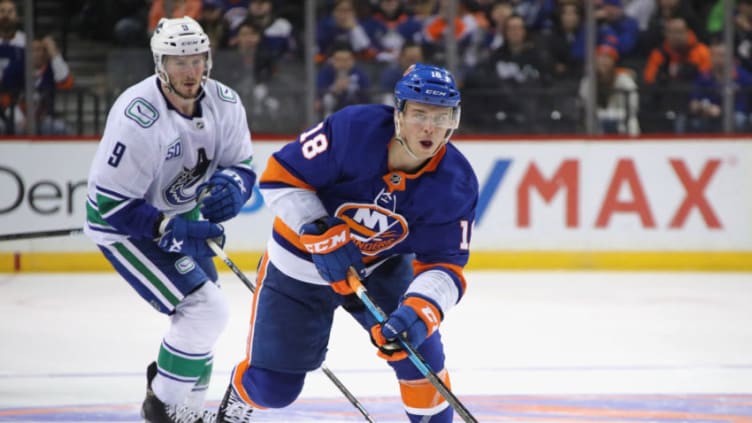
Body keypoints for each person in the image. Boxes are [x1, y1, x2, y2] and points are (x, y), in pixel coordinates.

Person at [211, 63, 478, 423]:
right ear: (399, 113)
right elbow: (279, 177)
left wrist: (420, 310)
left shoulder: (456, 183)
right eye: (419, 114)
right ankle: (239, 399)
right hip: (299, 268)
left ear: (453, 120)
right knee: (273, 388)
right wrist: (318, 228)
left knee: (420, 356)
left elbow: (445, 265)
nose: (429, 127)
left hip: (380, 268)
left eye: (441, 116)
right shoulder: (353, 130)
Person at [83, 16, 256, 423]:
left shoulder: (225, 102)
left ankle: (190, 410)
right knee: (205, 310)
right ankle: (162, 407)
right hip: (124, 226)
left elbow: (242, 165)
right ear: (160, 64)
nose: (190, 71)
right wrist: (165, 228)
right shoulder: (138, 117)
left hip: (180, 214)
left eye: (196, 59)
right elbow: (111, 203)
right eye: (179, 62)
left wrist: (233, 186)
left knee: (205, 317)